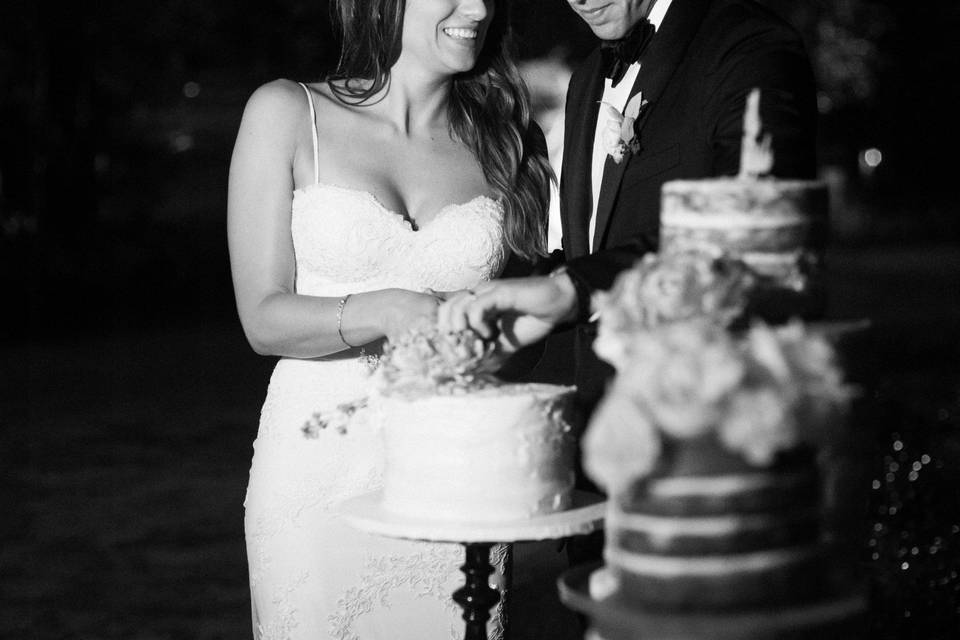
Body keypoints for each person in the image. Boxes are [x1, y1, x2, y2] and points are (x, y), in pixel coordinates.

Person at [227, 0, 553, 637]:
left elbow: (521, 333)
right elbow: (262, 318)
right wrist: (387, 308)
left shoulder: (510, 141)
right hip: (315, 483)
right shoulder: (289, 113)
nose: (479, 8)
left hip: (455, 478)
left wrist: (494, 342)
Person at [440, 0, 817, 408]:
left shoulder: (748, 46)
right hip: (606, 421)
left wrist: (573, 289)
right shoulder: (586, 79)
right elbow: (597, 247)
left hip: (712, 410)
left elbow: (754, 232)